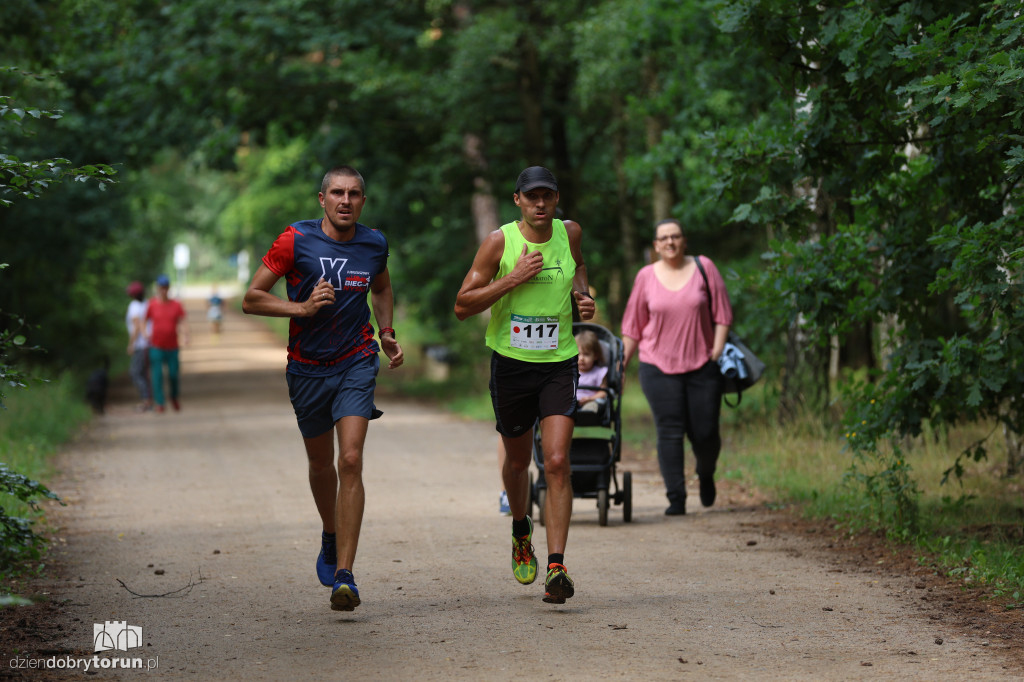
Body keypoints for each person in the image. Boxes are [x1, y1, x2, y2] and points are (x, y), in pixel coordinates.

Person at [242, 165, 403, 613]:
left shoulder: (375, 243)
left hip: (356, 359)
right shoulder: (295, 239)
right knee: (320, 465)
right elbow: (251, 298)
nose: (345, 200)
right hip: (307, 369)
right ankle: (330, 534)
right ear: (322, 199)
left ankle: (345, 575)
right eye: (337, 193)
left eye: (353, 193)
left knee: (350, 459)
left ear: (363, 202)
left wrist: (386, 330)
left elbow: (383, 287)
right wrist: (303, 307)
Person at [454, 165, 595, 604]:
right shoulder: (500, 241)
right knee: (518, 464)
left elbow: (581, 267)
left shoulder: (569, 232)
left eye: (547, 196)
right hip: (512, 364)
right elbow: (462, 305)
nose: (540, 204)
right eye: (531, 196)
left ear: (555, 199)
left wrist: (583, 296)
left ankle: (556, 567)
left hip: (559, 362)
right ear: (517, 200)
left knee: (555, 461)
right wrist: (513, 278)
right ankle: (520, 528)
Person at [621, 218, 732, 515]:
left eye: (675, 236)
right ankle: (676, 499)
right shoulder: (645, 276)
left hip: (702, 365)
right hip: (656, 365)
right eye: (663, 238)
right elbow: (633, 326)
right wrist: (619, 367)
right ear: (656, 246)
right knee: (669, 430)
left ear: (684, 241)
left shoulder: (703, 267)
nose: (670, 242)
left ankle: (706, 474)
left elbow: (722, 314)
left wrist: (717, 349)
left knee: (705, 432)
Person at [146, 274, 189, 413]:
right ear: (157, 288)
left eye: (165, 288)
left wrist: (186, 335)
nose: (163, 290)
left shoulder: (176, 305)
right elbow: (143, 320)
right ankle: (160, 402)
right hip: (156, 346)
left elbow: (182, 321)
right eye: (161, 288)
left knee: (173, 374)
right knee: (157, 375)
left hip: (172, 346)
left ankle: (174, 396)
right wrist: (144, 333)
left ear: (168, 288)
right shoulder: (151, 304)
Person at [125, 280, 152, 412]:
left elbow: (136, 326)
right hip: (149, 343)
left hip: (140, 345)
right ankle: (148, 400)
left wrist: (131, 344)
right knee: (145, 373)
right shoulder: (148, 304)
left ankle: (146, 400)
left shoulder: (134, 306)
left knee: (136, 373)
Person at [574, 330, 608, 413]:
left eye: (586, 354)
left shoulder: (599, 373)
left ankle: (586, 413)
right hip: (572, 402)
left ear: (595, 356)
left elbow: (603, 393)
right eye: (578, 354)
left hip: (590, 401)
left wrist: (590, 399)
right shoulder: (570, 372)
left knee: (594, 405)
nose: (581, 358)